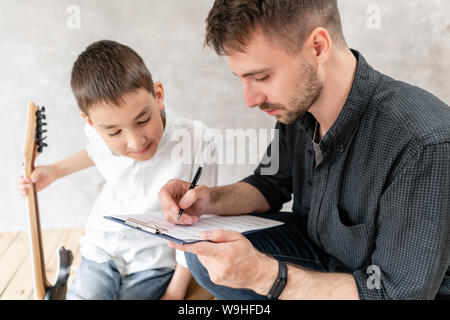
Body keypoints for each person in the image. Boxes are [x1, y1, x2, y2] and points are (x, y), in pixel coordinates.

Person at [159, 0, 450, 300]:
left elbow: (397, 294)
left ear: (318, 47)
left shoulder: (422, 143)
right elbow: (271, 184)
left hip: (384, 287)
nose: (251, 99)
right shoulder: (296, 107)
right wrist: (207, 200)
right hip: (322, 254)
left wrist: (264, 276)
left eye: (261, 77)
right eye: (243, 79)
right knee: (206, 252)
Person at [17, 40, 217, 300]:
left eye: (143, 120)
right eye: (114, 132)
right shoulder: (96, 130)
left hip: (153, 261)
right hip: (101, 249)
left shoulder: (198, 141)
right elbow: (96, 151)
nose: (136, 142)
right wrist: (54, 171)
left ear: (158, 95)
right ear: (91, 122)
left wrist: (176, 291)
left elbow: (198, 223)